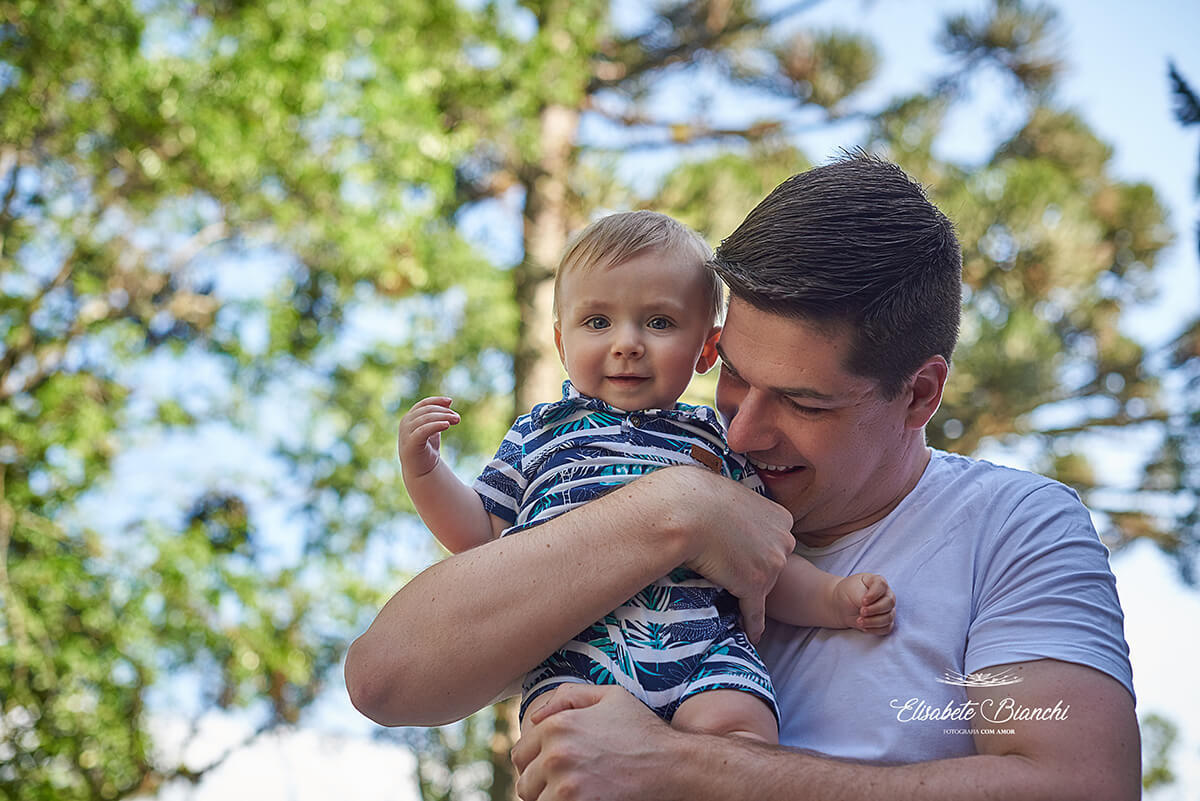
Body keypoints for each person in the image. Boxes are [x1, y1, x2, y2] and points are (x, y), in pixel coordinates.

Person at [346, 152, 1140, 801]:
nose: (745, 428)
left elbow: (1082, 785)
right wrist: (680, 507)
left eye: (801, 401)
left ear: (921, 393)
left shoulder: (1011, 525)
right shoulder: (649, 476)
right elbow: (385, 680)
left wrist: (681, 766)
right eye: (731, 375)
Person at [394, 210, 894, 744]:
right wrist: (425, 472)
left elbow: (763, 560)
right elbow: (479, 535)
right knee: (566, 756)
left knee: (740, 734)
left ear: (707, 349)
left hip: (704, 652)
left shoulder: (717, 443)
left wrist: (834, 598)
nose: (627, 342)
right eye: (598, 322)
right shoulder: (538, 435)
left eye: (659, 322)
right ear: (562, 344)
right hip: (575, 662)